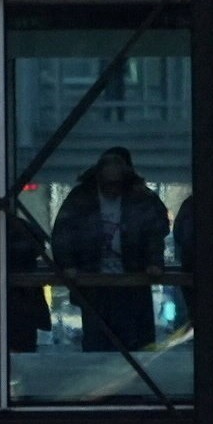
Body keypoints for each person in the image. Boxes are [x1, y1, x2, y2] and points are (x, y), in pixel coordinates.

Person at [51, 148, 170, 352]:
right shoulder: (138, 199)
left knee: (105, 340)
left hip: (104, 281)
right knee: (126, 342)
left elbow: (63, 233)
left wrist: (69, 266)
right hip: (121, 281)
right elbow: (155, 231)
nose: (113, 190)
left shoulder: (81, 199)